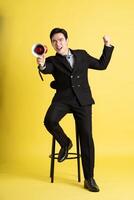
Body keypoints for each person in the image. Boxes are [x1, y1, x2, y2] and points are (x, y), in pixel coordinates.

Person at [36, 27, 114, 192]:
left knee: (86, 137)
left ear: (66, 40)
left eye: (61, 40)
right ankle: (65, 143)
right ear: (51, 43)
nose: (58, 44)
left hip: (83, 101)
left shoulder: (82, 55)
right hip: (63, 100)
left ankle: (89, 178)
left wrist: (107, 45)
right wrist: (42, 64)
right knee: (49, 120)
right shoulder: (52, 60)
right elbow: (46, 68)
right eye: (54, 41)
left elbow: (102, 65)